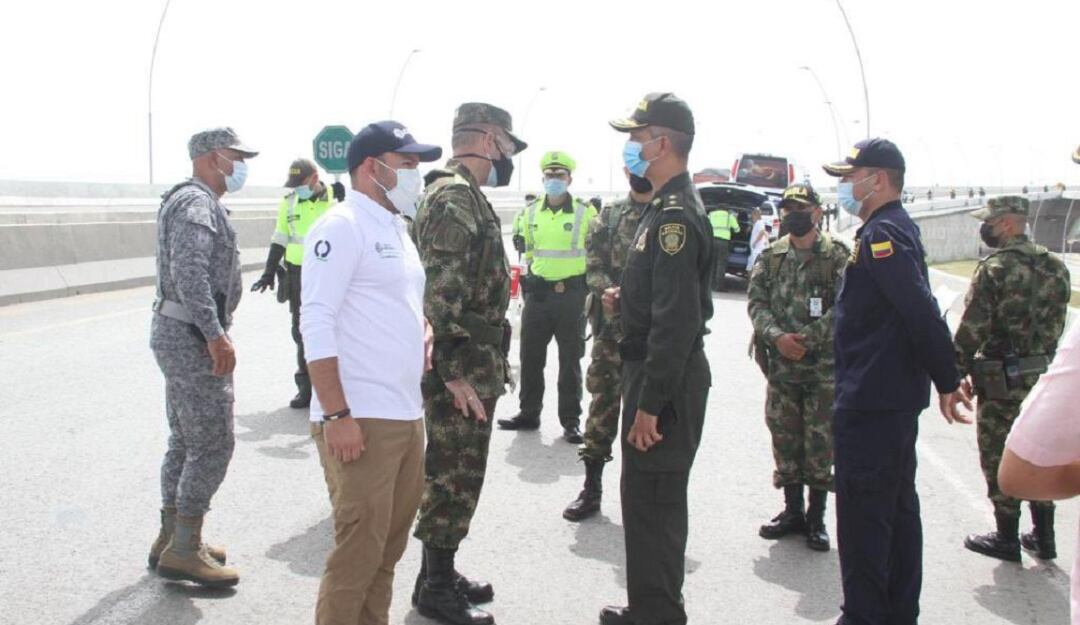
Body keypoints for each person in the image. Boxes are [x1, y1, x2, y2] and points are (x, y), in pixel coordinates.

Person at [824, 137, 972, 625]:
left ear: (878, 179)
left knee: (866, 520)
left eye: (852, 177)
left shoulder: (883, 236)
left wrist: (948, 377)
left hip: (871, 402)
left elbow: (918, 310)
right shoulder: (891, 230)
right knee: (896, 513)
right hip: (884, 399)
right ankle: (897, 613)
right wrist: (944, 375)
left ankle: (865, 616)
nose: (847, 186)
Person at [300, 121, 441, 625]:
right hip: (361, 416)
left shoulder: (396, 228)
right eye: (406, 165)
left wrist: (420, 325)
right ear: (370, 168)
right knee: (357, 555)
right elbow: (315, 320)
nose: (415, 175)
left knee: (386, 556)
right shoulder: (342, 226)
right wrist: (336, 412)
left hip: (406, 414)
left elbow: (392, 299)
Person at [599, 92, 713, 625]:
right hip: (654, 369)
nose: (629, 148)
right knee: (643, 501)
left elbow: (678, 321)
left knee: (656, 502)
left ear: (661, 143)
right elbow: (665, 298)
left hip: (664, 378)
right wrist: (630, 299)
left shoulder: (673, 218)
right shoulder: (662, 208)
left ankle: (660, 615)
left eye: (637, 138)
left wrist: (651, 403)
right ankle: (649, 607)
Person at [410, 102, 525, 625]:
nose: (508, 157)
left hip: (472, 358)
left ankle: (436, 573)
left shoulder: (460, 194)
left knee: (456, 471)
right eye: (507, 145)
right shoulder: (455, 197)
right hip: (460, 367)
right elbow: (441, 292)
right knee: (455, 474)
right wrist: (452, 371)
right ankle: (436, 589)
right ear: (487, 140)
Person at [148, 127, 258, 587]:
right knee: (213, 442)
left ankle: (173, 536)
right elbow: (189, 271)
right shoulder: (196, 204)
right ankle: (185, 549)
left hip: (176, 329)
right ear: (215, 158)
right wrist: (215, 335)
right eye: (237, 157)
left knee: (185, 440)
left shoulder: (187, 199)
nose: (241, 166)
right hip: (191, 336)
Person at [954, 195, 1070, 562]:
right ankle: (1044, 535)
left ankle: (1006, 535)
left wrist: (954, 372)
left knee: (998, 454)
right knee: (1038, 450)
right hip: (1041, 375)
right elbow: (1057, 324)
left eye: (988, 221)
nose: (984, 227)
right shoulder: (1055, 266)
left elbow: (973, 328)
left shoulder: (995, 268)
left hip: (1001, 377)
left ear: (1006, 223)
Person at [747, 182, 848, 552]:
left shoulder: (838, 256)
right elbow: (756, 302)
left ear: (818, 213)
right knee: (785, 438)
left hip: (822, 369)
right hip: (782, 368)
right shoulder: (772, 255)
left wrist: (805, 339)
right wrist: (777, 338)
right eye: (788, 208)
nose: (793, 214)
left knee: (820, 443)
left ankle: (816, 519)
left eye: (801, 207)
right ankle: (791, 511)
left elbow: (848, 307)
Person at [563, 170, 652, 522]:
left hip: (650, 334)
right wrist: (606, 291)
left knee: (648, 410)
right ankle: (592, 488)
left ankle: (643, 496)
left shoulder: (668, 215)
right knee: (602, 405)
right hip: (611, 331)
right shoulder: (610, 215)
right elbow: (594, 265)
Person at [498, 151, 597, 443]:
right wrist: (529, 285)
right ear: (543, 178)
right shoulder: (528, 214)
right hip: (538, 296)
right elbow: (527, 253)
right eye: (550, 175)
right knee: (530, 358)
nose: (554, 180)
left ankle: (571, 422)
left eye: (560, 176)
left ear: (569, 179)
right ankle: (529, 413)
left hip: (572, 296)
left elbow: (594, 254)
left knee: (570, 361)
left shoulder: (585, 212)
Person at [250, 158, 342, 409]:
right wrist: (269, 273)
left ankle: (339, 385)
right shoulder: (288, 204)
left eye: (299, 183)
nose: (296, 189)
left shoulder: (336, 198)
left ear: (314, 179)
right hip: (298, 274)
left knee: (335, 327)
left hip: (331, 273)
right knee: (302, 331)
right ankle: (306, 388)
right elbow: (279, 238)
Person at [707, 203, 740, 291]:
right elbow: (737, 230)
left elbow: (705, 227)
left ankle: (710, 286)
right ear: (726, 209)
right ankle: (719, 287)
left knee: (712, 264)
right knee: (721, 264)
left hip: (712, 241)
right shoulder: (729, 216)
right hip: (723, 242)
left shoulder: (711, 215)